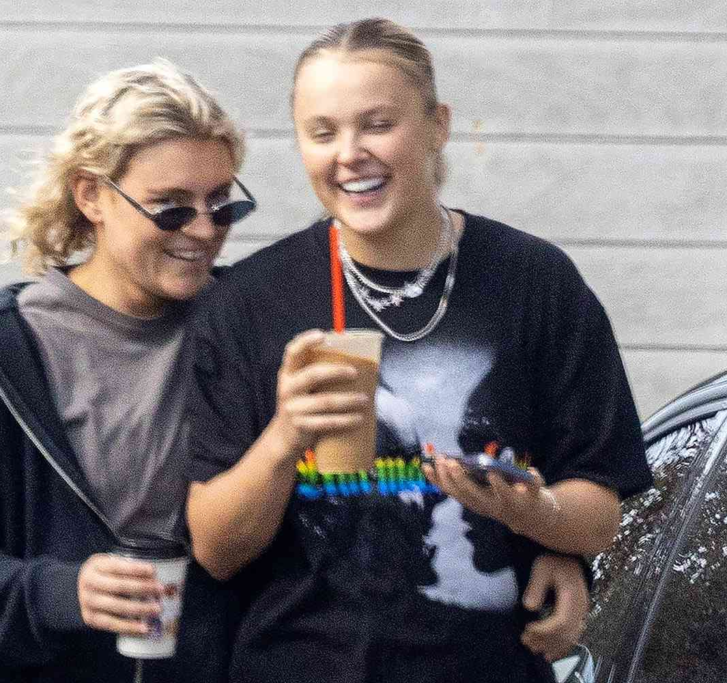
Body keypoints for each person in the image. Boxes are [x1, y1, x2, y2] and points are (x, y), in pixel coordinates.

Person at [182, 18, 653, 683]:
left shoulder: (536, 283)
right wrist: (285, 437)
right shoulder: (249, 303)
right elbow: (215, 549)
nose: (349, 154)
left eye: (377, 125)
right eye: (322, 132)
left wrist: (534, 515)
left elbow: (598, 516)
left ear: (437, 126)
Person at [0, 59, 257, 683]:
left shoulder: (243, 335)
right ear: (91, 195)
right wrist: (58, 594)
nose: (202, 230)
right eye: (170, 207)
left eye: (220, 205)